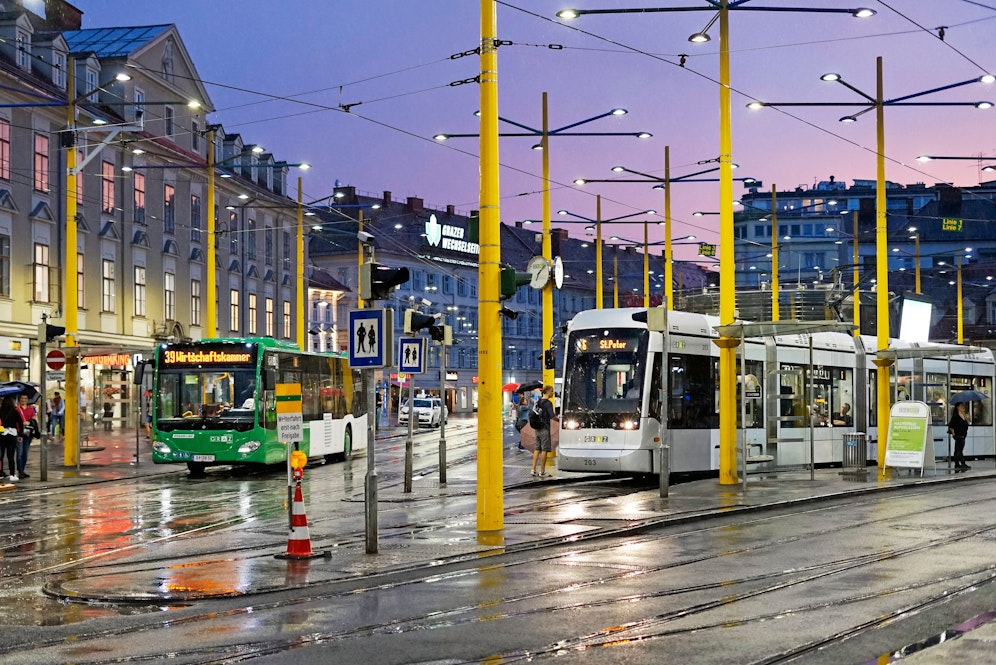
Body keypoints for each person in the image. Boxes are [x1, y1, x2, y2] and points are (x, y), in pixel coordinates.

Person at [530, 385, 558, 478]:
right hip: (544, 428)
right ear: (547, 391)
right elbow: (552, 416)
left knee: (537, 449)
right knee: (545, 450)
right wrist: (561, 420)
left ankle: (533, 470)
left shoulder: (538, 402)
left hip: (537, 428)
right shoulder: (548, 403)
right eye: (552, 391)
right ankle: (542, 472)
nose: (553, 393)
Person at [0, 395, 23, 482]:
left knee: (1, 455)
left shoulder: (0, 411)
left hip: (2, 434)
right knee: (11, 456)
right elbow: (20, 423)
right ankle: (12, 474)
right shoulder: (15, 412)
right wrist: (20, 435)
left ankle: (0, 472)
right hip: (12, 434)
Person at [15, 394, 36, 479]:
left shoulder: (31, 409)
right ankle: (20, 471)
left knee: (25, 454)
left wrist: (29, 422)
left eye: (25, 398)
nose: (23, 400)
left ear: (27, 400)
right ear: (19, 399)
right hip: (19, 433)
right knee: (19, 453)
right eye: (22, 398)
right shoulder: (16, 409)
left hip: (28, 434)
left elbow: (34, 419)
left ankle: (22, 470)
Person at [947, 402, 971, 470]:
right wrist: (954, 434)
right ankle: (963, 463)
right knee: (959, 451)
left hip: (963, 435)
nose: (962, 407)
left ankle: (957, 464)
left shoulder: (963, 415)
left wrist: (966, 416)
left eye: (963, 406)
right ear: (957, 407)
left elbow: (966, 424)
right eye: (961, 406)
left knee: (957, 450)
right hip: (958, 435)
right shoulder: (956, 416)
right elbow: (951, 426)